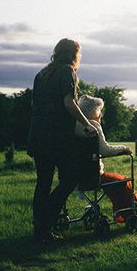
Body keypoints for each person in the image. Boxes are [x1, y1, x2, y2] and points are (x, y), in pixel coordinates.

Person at [27, 38, 98, 242]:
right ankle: (45, 222)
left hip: (38, 134)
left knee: (44, 182)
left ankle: (39, 230)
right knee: (69, 179)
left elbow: (35, 104)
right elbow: (69, 102)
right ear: (73, 54)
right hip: (56, 136)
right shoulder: (67, 71)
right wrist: (87, 123)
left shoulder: (41, 74)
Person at [75, 95, 137, 225]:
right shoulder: (93, 125)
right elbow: (105, 150)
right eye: (99, 110)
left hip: (74, 175)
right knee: (123, 181)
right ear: (93, 111)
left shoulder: (72, 125)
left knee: (114, 182)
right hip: (92, 175)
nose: (100, 114)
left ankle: (124, 214)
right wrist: (125, 148)